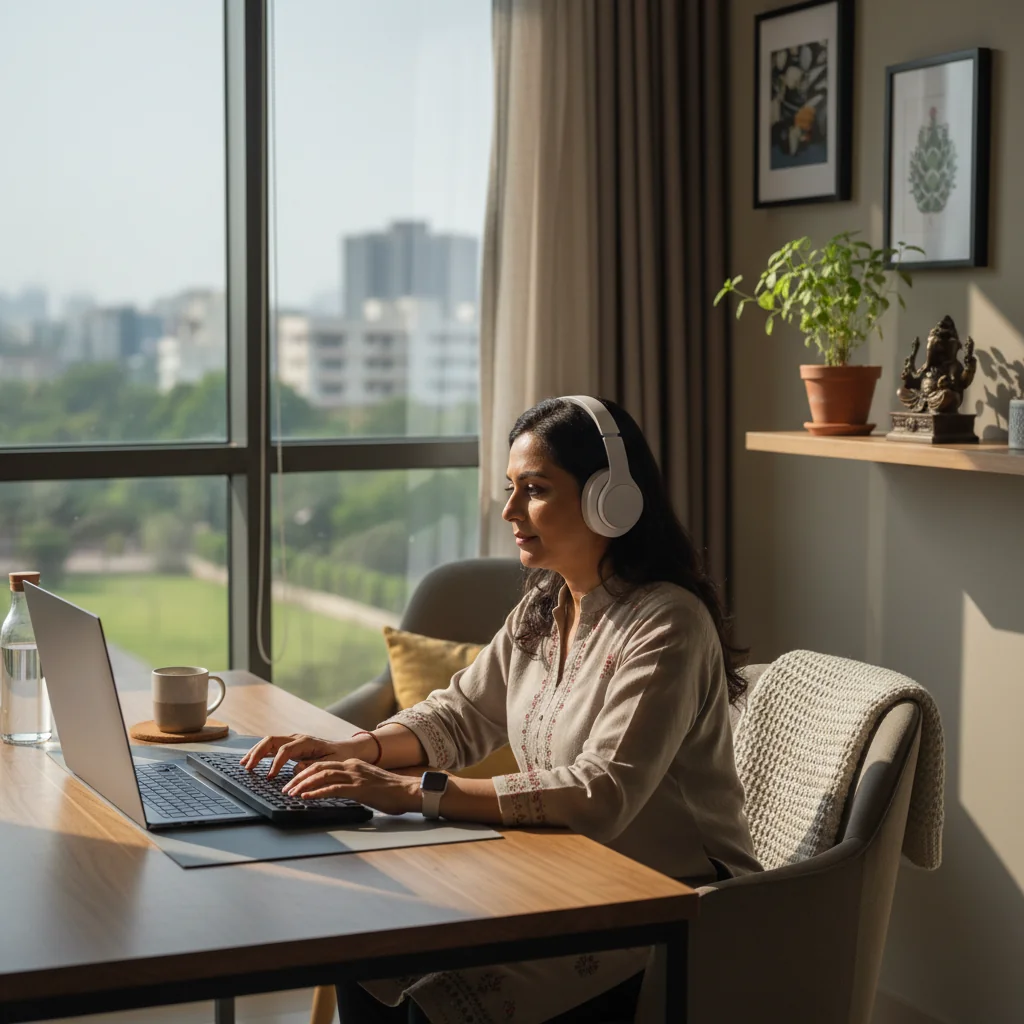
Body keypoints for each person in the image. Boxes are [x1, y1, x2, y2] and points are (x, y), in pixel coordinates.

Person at [242, 396, 761, 1023]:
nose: (511, 510)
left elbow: (601, 792)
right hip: (563, 871)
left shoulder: (668, 623)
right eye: (510, 489)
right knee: (370, 945)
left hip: (673, 902)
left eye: (534, 490)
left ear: (611, 499)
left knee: (439, 994)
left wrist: (411, 793)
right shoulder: (545, 603)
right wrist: (359, 749)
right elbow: (463, 712)